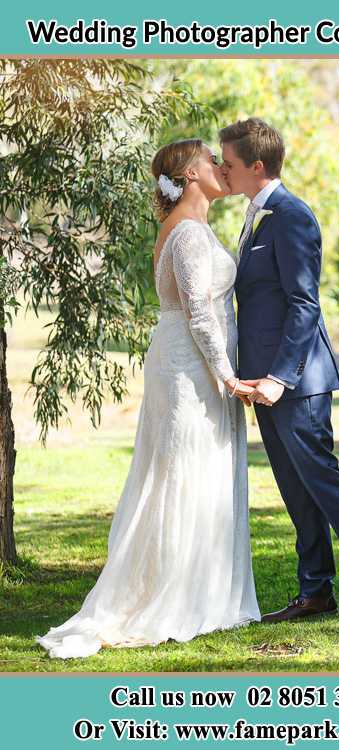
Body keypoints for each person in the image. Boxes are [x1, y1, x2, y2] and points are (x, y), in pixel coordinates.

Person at [35, 139, 261, 658]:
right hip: (189, 368)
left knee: (203, 468)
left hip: (197, 363)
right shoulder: (184, 233)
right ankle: (172, 593)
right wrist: (228, 376)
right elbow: (200, 313)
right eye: (212, 161)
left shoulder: (196, 227)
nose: (221, 168)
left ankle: (207, 587)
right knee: (181, 470)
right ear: (187, 174)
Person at [219, 118, 339, 622]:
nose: (223, 170)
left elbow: (304, 304)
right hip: (262, 382)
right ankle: (316, 591)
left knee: (322, 479)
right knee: (295, 486)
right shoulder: (255, 215)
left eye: (230, 163)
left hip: (295, 381)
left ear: (256, 167)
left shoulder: (291, 215)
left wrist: (279, 377)